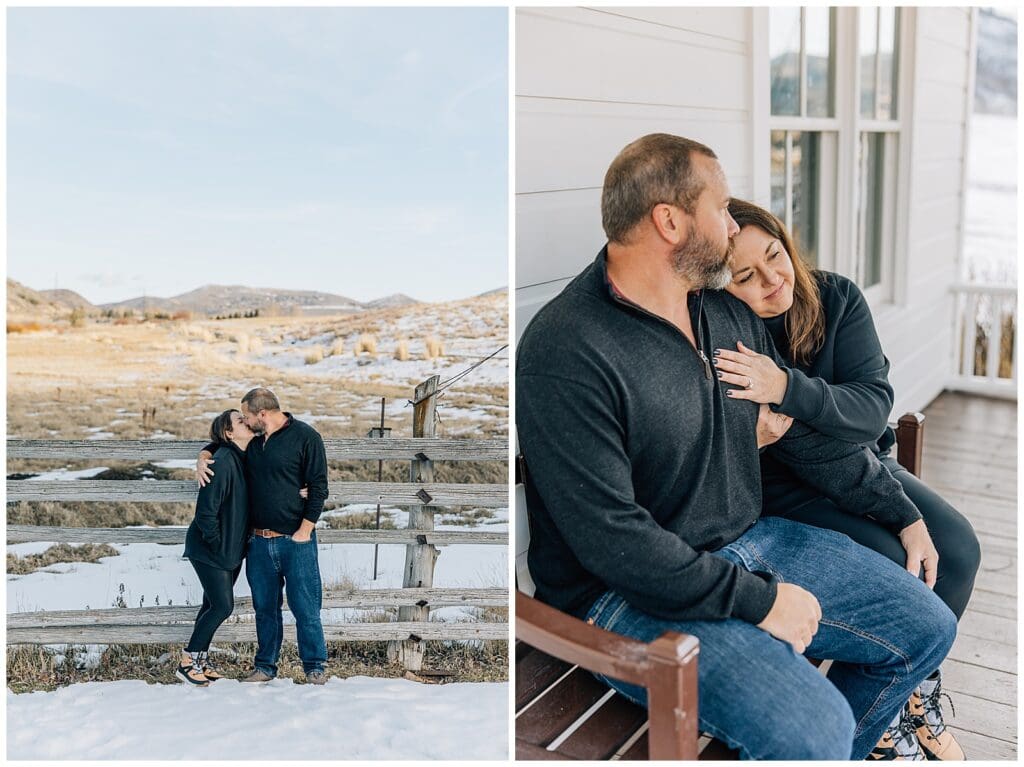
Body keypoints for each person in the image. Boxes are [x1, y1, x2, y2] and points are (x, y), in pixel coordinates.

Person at [516, 133, 957, 760]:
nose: (732, 225)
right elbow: (615, 540)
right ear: (670, 221)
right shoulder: (568, 349)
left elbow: (799, 439)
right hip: (623, 598)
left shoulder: (722, 313)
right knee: (814, 727)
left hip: (752, 542)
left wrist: (901, 511)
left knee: (927, 628)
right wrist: (761, 602)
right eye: (721, 209)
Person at [715, 198, 979, 759]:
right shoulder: (732, 338)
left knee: (958, 548)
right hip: (790, 490)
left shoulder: (835, 296)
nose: (771, 280)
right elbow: (791, 444)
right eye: (746, 276)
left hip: (865, 465)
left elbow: (871, 405)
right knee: (899, 563)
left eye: (774, 255)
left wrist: (788, 387)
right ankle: (878, 717)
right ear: (723, 287)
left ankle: (911, 695)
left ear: (787, 242)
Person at [198, 387, 330, 685]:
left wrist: (304, 531)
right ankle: (266, 666)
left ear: (262, 414)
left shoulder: (306, 437)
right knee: (264, 609)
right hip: (258, 542)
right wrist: (202, 456)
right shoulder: (254, 442)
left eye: (245, 416)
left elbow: (319, 487)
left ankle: (314, 666)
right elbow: (220, 442)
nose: (243, 421)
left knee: (305, 606)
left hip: (295, 541)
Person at [179, 409, 253, 686]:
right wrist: (218, 544)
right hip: (210, 548)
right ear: (229, 433)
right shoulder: (221, 463)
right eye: (239, 420)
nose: (246, 420)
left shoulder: (246, 457)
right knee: (222, 606)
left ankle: (200, 659)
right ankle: (188, 660)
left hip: (231, 548)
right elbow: (205, 513)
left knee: (210, 604)